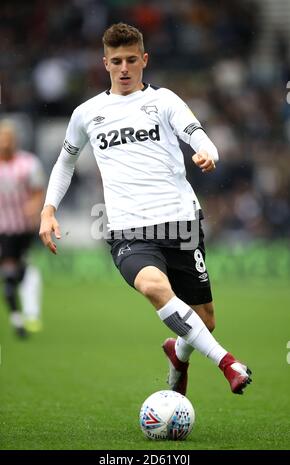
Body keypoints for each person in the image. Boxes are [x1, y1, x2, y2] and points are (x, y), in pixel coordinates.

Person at [40, 23, 252, 395]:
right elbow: (65, 162)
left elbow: (197, 135)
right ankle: (227, 362)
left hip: (181, 223)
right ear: (105, 63)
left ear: (144, 60)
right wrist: (48, 209)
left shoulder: (164, 101)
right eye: (117, 61)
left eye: (132, 60)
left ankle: (178, 354)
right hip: (128, 230)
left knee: (204, 320)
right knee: (154, 286)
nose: (124, 68)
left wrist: (207, 153)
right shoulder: (87, 113)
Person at [0, 120, 45, 337]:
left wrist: (34, 207)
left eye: (9, 138)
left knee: (16, 272)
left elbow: (38, 191)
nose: (6, 142)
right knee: (9, 273)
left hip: (22, 229)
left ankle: (23, 314)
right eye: (3, 138)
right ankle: (18, 319)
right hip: (2, 229)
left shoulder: (28, 163)